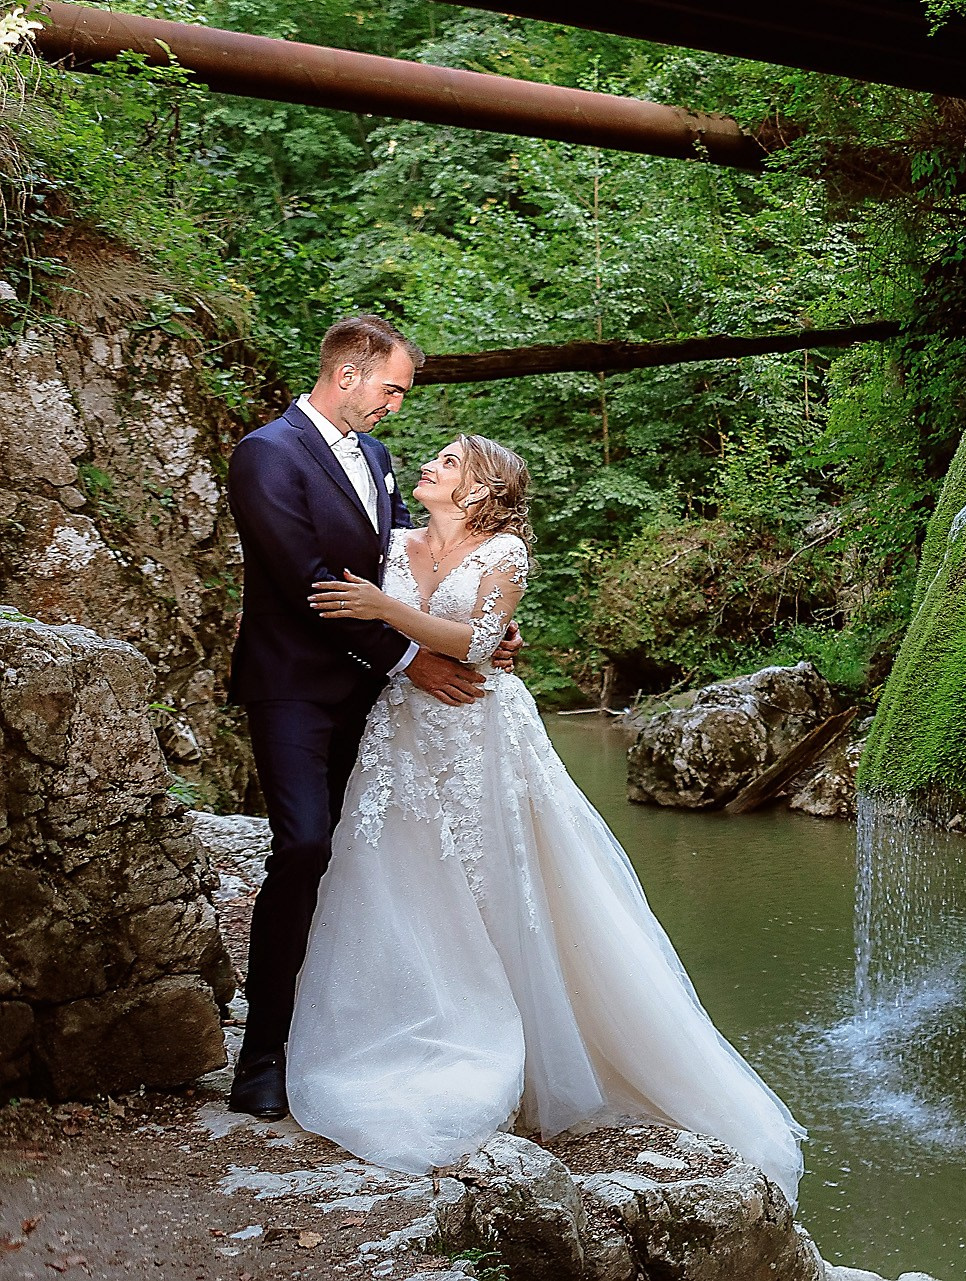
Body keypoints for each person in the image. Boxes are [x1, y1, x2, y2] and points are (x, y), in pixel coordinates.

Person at [286, 434, 802, 1199]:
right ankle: (403, 1018)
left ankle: (528, 1046)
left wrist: (385, 608)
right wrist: (378, 615)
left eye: (452, 461)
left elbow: (480, 642)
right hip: (401, 732)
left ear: (486, 488)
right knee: (397, 878)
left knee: (502, 879)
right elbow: (350, 622)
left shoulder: (505, 554)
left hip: (483, 734)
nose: (430, 463)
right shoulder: (387, 537)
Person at [224, 314, 515, 1121]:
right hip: (294, 686)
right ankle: (263, 1054)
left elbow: (404, 559)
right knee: (305, 844)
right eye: (391, 388)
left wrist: (482, 618)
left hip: (376, 700)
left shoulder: (380, 458)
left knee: (369, 859)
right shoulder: (266, 454)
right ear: (348, 373)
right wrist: (412, 658)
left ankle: (358, 1032)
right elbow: (308, 583)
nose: (394, 407)